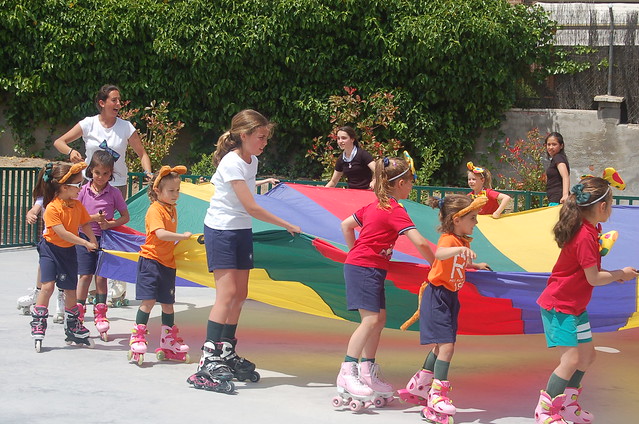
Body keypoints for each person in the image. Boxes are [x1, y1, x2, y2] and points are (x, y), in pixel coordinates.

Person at [187, 109, 301, 393]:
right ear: (244, 135)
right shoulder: (231, 162)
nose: (264, 142)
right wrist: (286, 223)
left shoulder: (253, 161)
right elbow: (250, 206)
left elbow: (246, 195)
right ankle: (208, 359)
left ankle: (225, 350)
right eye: (260, 137)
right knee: (226, 295)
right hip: (222, 230)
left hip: (240, 230)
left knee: (240, 294)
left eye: (266, 137)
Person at [334, 155, 436, 411]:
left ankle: (368, 370)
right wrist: (438, 264)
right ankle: (348, 371)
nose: (413, 185)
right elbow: (421, 243)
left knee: (378, 318)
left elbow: (346, 225)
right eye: (411, 181)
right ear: (400, 183)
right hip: (365, 268)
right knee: (370, 320)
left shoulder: (374, 206)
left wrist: (354, 252)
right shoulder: (395, 210)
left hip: (367, 267)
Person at [533, 175, 637, 424]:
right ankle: (546, 410)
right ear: (601, 207)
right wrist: (619, 274)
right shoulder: (583, 236)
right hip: (561, 305)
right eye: (610, 205)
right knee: (572, 359)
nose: (610, 210)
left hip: (575, 307)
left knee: (588, 356)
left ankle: (567, 405)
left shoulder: (589, 230)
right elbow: (593, 278)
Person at [398, 194, 490, 423]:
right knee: (447, 346)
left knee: (441, 346)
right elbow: (439, 255)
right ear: (456, 219)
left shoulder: (462, 241)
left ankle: (419, 385)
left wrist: (475, 264)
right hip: (437, 296)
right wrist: (460, 252)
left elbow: (459, 262)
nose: (476, 222)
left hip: (450, 297)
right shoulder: (449, 239)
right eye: (473, 218)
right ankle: (437, 396)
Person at [30, 162, 99, 352]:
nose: (82, 187)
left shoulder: (77, 205)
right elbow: (62, 233)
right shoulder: (52, 208)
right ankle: (38, 321)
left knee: (70, 289)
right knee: (48, 286)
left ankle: (73, 326)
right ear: (64, 187)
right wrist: (84, 243)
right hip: (50, 249)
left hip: (68, 252)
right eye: (78, 184)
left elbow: (85, 223)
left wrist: (93, 240)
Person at [127, 166, 192, 366]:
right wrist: (181, 237)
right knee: (148, 301)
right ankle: (137, 337)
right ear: (157, 191)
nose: (175, 195)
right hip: (151, 261)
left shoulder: (171, 209)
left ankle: (168, 341)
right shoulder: (155, 209)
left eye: (177, 190)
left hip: (167, 263)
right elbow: (160, 234)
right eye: (171, 191)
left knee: (168, 303)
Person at [52, 84, 153, 198]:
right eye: (114, 100)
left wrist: (148, 173)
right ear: (102, 103)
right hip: (89, 183)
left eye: (119, 100)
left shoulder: (126, 127)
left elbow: (142, 154)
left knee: (114, 216)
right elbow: (59, 142)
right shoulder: (88, 123)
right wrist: (70, 152)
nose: (119, 104)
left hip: (116, 184)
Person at [76, 150, 130, 342]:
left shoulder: (114, 193)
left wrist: (109, 224)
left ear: (111, 174)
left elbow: (125, 217)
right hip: (84, 238)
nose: (101, 177)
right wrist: (92, 218)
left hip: (106, 239)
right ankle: (78, 314)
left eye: (105, 174)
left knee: (101, 277)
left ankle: (100, 313)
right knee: (84, 276)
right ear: (91, 171)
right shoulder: (82, 191)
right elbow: (76, 217)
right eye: (97, 173)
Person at [16, 187, 67, 322]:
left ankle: (61, 299)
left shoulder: (71, 198)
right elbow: (35, 208)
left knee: (63, 270)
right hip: (49, 240)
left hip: (67, 241)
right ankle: (37, 294)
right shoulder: (45, 197)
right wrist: (31, 214)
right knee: (43, 267)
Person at [545, 132, 570, 206]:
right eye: (548, 144)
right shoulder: (556, 159)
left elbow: (565, 176)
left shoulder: (558, 158)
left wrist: (565, 195)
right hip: (555, 198)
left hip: (558, 199)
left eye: (554, 144)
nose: (550, 147)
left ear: (561, 146)